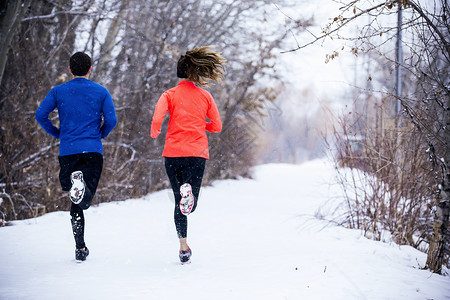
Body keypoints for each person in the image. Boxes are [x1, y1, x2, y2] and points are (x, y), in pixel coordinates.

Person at [35, 52, 117, 261]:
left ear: (70, 70)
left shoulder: (58, 91)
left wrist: (57, 133)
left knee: (75, 199)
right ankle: (80, 189)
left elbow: (40, 115)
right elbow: (112, 119)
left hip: (68, 152)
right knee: (83, 200)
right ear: (90, 69)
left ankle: (80, 248)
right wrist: (101, 133)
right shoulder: (101, 91)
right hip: (91, 150)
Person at [151, 46, 225, 264]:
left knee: (178, 203)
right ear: (195, 73)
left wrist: (155, 131)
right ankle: (188, 192)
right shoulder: (205, 96)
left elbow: (157, 119)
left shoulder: (169, 94)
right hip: (196, 153)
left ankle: (183, 247)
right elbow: (217, 126)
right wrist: (203, 125)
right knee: (190, 203)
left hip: (173, 153)